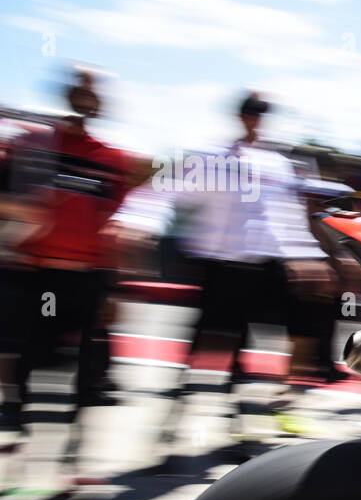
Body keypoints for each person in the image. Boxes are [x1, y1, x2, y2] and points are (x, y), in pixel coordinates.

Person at [110, 93, 335, 438]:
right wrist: (136, 221)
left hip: (265, 267)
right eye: (250, 113)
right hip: (223, 269)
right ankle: (174, 422)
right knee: (208, 349)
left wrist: (309, 256)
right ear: (240, 116)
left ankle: (268, 412)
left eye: (261, 114)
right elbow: (164, 192)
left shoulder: (277, 164)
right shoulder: (211, 159)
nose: (255, 119)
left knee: (295, 330)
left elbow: (287, 219)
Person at [0, 68, 146, 430]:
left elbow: (120, 222)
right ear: (66, 94)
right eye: (80, 90)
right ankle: (13, 409)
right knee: (28, 351)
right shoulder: (32, 145)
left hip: (88, 278)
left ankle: (73, 454)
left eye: (92, 93)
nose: (86, 98)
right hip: (37, 274)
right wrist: (19, 209)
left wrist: (116, 285)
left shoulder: (113, 160)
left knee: (83, 371)